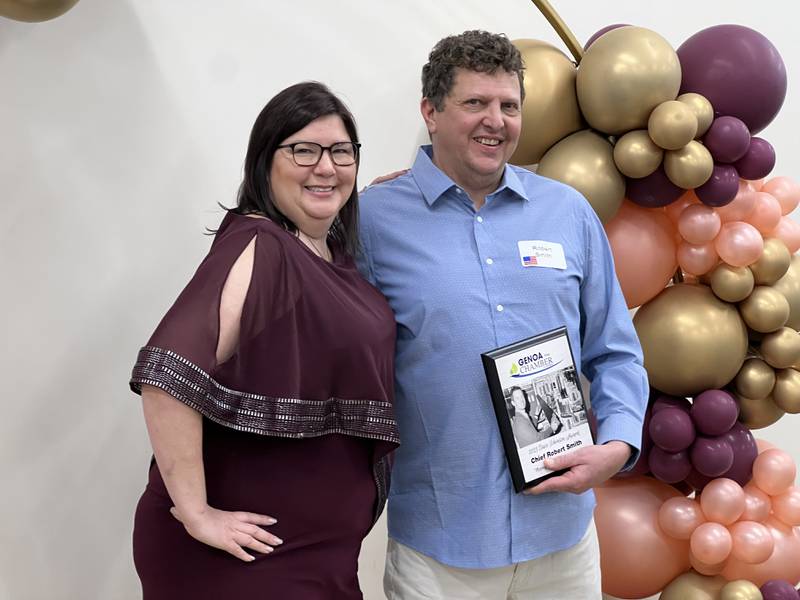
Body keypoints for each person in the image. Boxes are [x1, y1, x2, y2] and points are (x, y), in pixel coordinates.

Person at [357, 31, 648, 598]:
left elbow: (615, 350)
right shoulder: (372, 222)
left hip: (564, 539)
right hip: (439, 548)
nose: (496, 120)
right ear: (431, 112)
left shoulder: (568, 211)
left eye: (508, 105)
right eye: (475, 103)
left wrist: (616, 445)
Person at [129, 81, 399, 599]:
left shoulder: (330, 255)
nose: (326, 166)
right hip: (245, 562)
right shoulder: (261, 245)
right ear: (264, 161)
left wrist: (397, 196)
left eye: (341, 152)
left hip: (314, 557)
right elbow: (168, 375)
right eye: (304, 150)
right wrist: (196, 513)